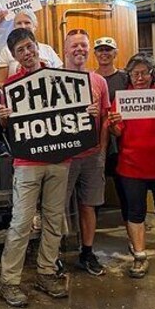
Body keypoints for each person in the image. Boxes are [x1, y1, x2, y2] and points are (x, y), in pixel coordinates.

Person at [0, 28, 79, 307]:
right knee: (21, 222)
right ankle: (9, 280)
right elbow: (7, 128)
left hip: (59, 159)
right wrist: (3, 119)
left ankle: (46, 272)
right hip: (27, 162)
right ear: (13, 55)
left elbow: (76, 112)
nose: (27, 53)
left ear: (38, 47)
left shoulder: (59, 79)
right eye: (21, 50)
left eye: (30, 47)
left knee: (55, 219)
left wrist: (88, 112)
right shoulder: (11, 86)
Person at [107, 54, 155, 280]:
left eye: (144, 73)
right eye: (135, 73)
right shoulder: (122, 99)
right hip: (131, 166)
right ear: (129, 76)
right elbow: (118, 132)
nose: (140, 77)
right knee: (135, 213)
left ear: (152, 75)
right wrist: (112, 126)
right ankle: (139, 256)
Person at [63, 29, 111, 276]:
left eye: (83, 45)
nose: (79, 50)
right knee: (56, 206)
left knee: (89, 205)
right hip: (65, 156)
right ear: (65, 49)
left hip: (91, 155)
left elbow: (105, 118)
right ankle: (55, 255)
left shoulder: (99, 81)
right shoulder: (55, 79)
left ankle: (87, 252)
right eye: (74, 46)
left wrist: (102, 150)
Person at [93, 36, 130, 196]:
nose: (104, 53)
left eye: (108, 50)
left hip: (121, 139)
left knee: (122, 184)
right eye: (100, 50)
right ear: (95, 54)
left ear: (115, 53)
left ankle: (129, 220)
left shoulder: (125, 78)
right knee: (95, 183)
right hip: (97, 138)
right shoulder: (90, 78)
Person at [0, 9, 62, 85]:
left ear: (35, 25)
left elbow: (61, 75)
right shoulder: (6, 51)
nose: (23, 26)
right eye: (19, 23)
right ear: (14, 55)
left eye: (27, 23)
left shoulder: (48, 49)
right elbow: (1, 83)